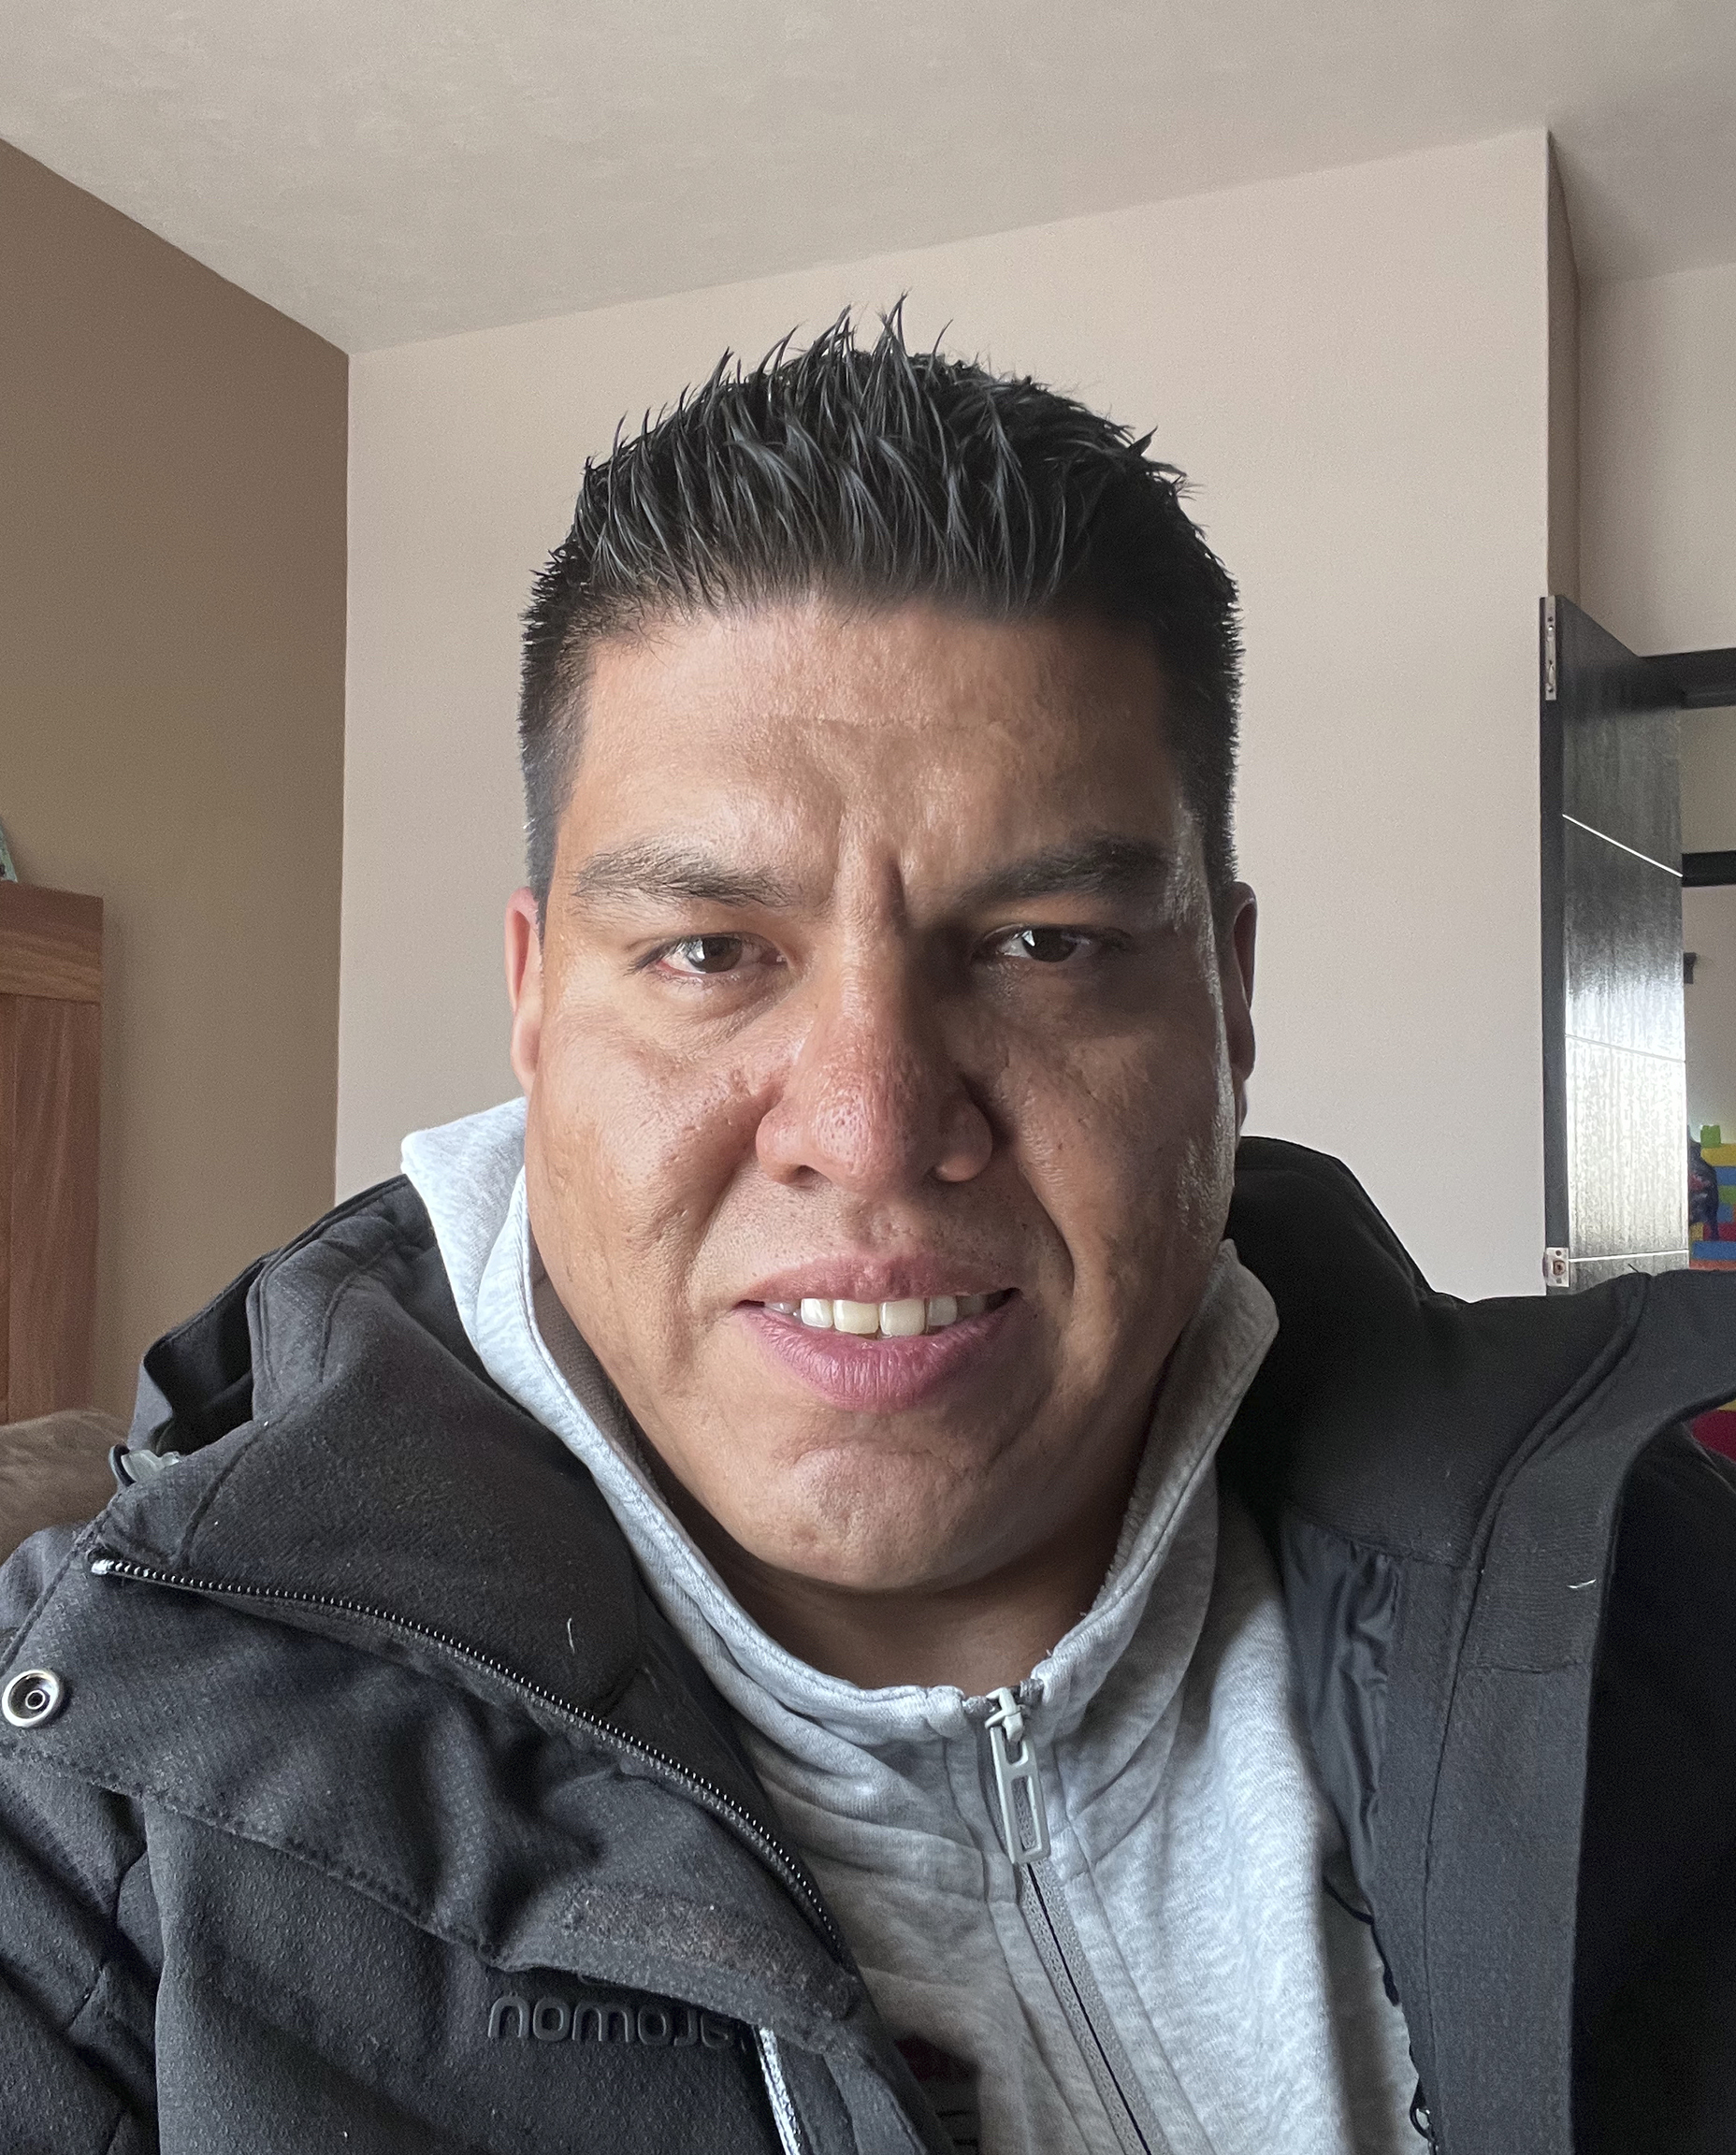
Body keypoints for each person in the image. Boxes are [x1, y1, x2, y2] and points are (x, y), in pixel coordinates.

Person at [2, 314, 1732, 2155]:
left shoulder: (1661, 1600)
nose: (872, 1126)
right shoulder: (88, 1817)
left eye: (1044, 944)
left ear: (1227, 1001)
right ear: (536, 1005)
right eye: (708, 951)